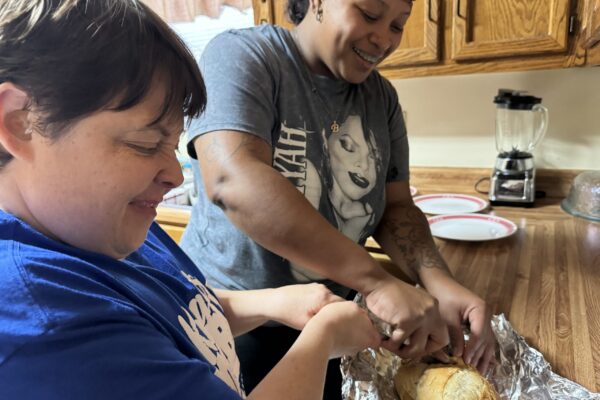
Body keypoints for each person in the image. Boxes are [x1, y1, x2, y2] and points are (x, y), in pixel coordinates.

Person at [0, 1, 382, 399]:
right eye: (144, 143)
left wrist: (272, 301)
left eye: (172, 144)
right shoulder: (47, 326)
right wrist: (321, 341)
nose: (175, 175)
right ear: (21, 122)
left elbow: (179, 310)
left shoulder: (104, 226)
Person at [180, 0, 498, 397]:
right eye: (369, 14)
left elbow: (396, 207)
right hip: (235, 322)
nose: (384, 39)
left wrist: (438, 280)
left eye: (398, 25)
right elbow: (233, 179)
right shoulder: (244, 55)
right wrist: (377, 282)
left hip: (334, 323)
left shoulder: (381, 98)